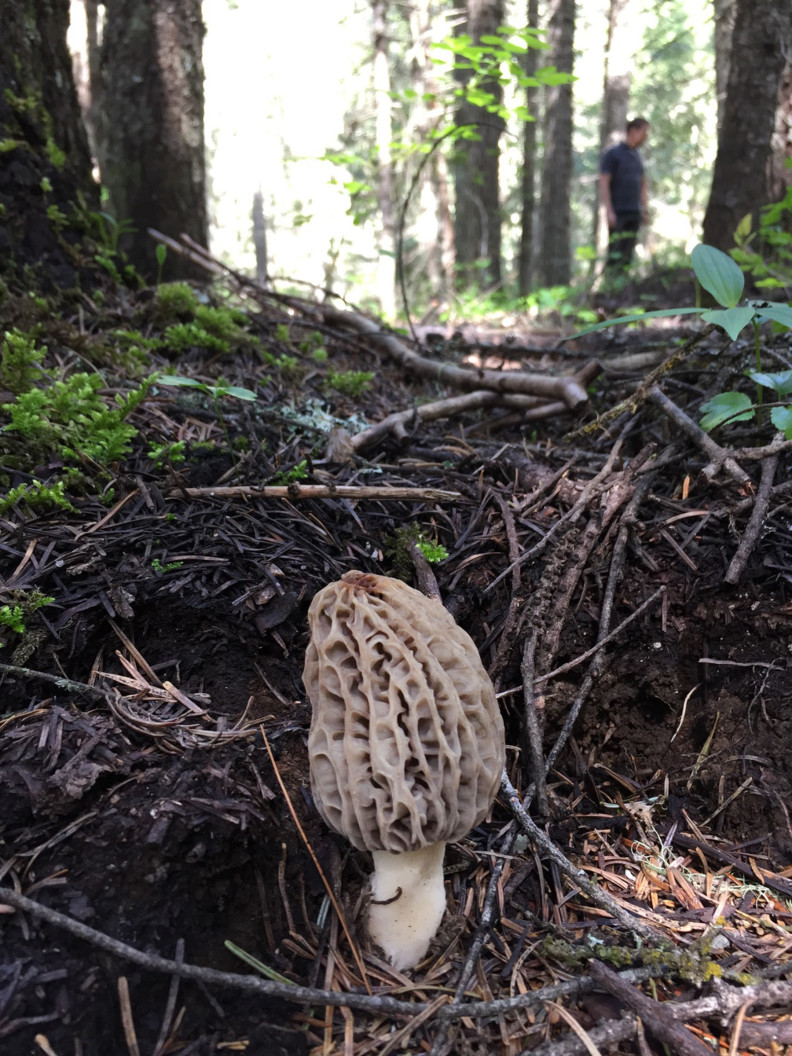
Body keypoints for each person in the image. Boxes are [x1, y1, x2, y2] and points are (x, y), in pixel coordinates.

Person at [599, 117, 650, 270]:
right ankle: (610, 285)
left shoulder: (637, 156)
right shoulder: (613, 154)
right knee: (615, 251)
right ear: (633, 131)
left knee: (628, 253)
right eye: (644, 132)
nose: (646, 137)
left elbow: (642, 184)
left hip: (634, 211)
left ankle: (623, 286)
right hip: (618, 211)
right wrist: (609, 211)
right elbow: (603, 182)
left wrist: (644, 210)